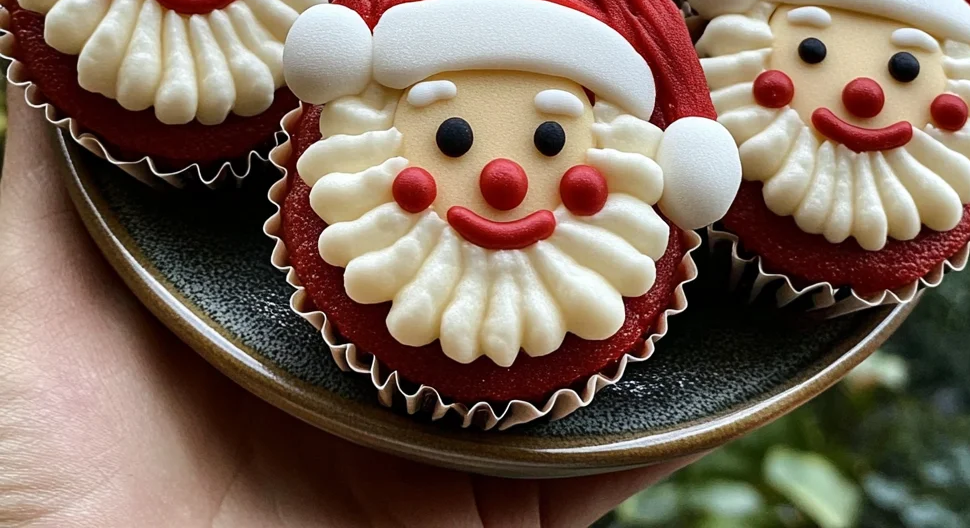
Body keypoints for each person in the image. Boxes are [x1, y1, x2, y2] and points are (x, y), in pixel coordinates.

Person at [0, 90, 698, 527]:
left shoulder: (623, 248)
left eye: (550, 142)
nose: (502, 178)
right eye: (453, 138)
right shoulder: (349, 199)